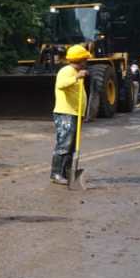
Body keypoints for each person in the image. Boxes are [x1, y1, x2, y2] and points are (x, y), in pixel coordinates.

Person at [50, 45, 90, 185]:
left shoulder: (75, 71)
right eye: (85, 59)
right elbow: (61, 85)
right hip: (65, 113)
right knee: (64, 145)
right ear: (80, 59)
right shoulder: (66, 71)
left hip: (75, 113)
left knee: (71, 146)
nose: (87, 61)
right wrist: (76, 77)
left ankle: (66, 173)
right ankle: (56, 174)